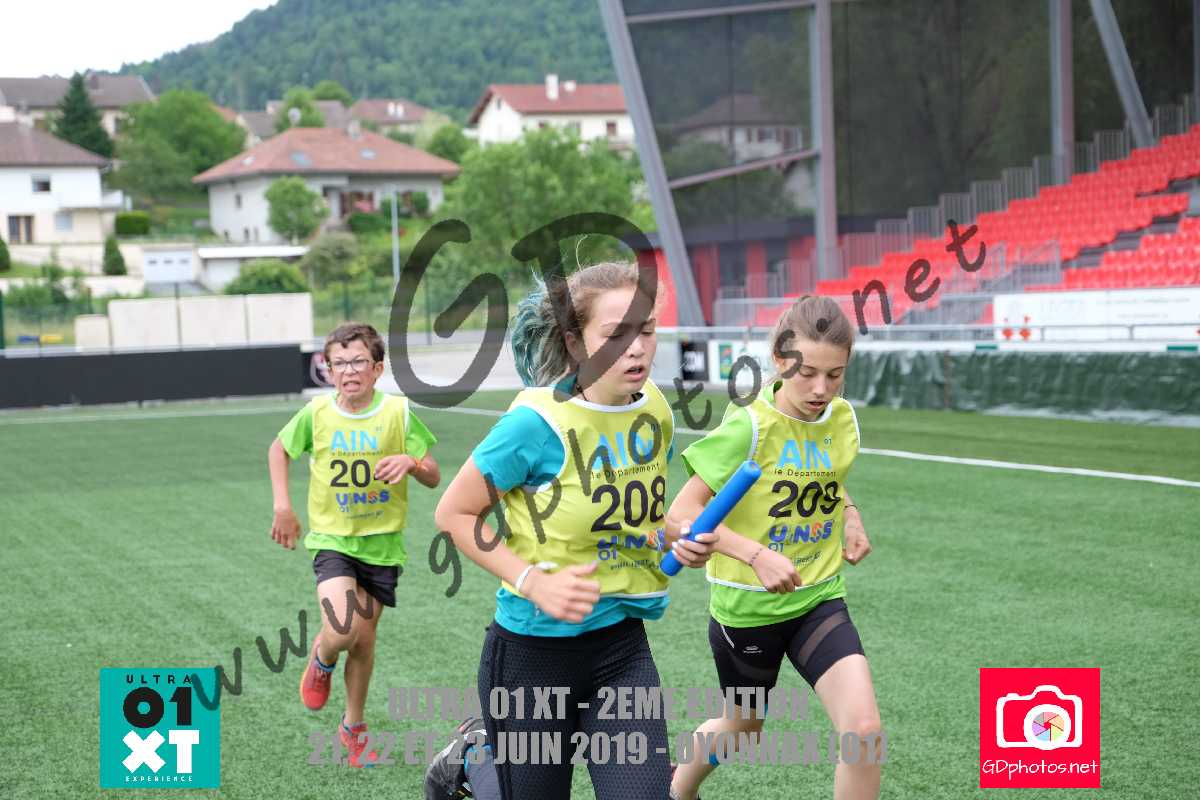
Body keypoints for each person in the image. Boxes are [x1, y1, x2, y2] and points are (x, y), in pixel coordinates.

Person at [430, 261, 718, 799]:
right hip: (531, 657)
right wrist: (533, 581)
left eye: (646, 330)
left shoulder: (655, 409)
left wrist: (674, 533)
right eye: (615, 334)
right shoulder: (533, 425)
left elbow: (638, 515)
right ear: (574, 341)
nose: (637, 348)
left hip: (621, 650)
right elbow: (454, 514)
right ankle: (471, 759)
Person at [667, 295, 881, 800]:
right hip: (748, 612)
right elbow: (681, 514)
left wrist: (850, 513)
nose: (821, 389)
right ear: (780, 361)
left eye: (835, 375)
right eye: (807, 373)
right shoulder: (749, 427)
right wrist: (755, 554)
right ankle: (676, 791)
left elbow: (827, 475)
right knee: (743, 728)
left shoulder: (841, 418)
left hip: (818, 599)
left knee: (864, 731)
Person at [268, 322, 441, 768]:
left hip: (382, 545)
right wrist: (283, 507)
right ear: (328, 370)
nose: (348, 371)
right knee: (343, 629)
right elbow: (279, 450)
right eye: (338, 363)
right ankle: (322, 658)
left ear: (377, 368)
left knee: (363, 641)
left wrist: (412, 462)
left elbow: (432, 473)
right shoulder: (317, 413)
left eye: (358, 361)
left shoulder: (398, 413)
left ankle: (353, 726)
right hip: (333, 540)